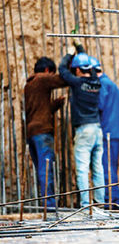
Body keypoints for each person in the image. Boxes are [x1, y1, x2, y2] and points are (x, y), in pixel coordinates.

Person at [58, 41, 105, 209]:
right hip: (97, 129)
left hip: (84, 130)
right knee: (98, 168)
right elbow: (89, 66)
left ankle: (85, 205)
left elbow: (62, 70)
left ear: (77, 70)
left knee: (83, 169)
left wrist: (70, 53)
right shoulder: (96, 82)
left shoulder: (77, 84)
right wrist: (80, 49)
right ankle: (100, 203)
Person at [25, 57, 67, 208]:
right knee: (46, 169)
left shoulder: (29, 84)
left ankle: (46, 204)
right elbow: (63, 80)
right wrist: (66, 62)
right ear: (48, 71)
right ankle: (49, 206)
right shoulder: (42, 79)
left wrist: (55, 104)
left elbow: (39, 109)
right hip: (42, 132)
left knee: (41, 169)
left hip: (31, 132)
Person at [89, 56, 119, 207]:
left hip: (107, 133)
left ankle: (112, 203)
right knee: (111, 168)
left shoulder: (102, 85)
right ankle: (113, 201)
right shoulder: (113, 85)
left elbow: (99, 105)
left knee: (106, 169)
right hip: (116, 132)